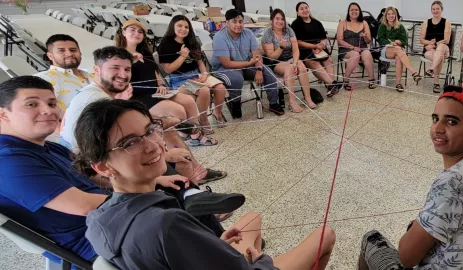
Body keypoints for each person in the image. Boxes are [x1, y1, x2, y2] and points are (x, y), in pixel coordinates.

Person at [0, 76, 242, 266]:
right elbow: (84, 206)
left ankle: (212, 234)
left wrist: (156, 180)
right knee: (157, 182)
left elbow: (94, 175)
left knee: (163, 173)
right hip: (99, 238)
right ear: (3, 113)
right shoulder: (8, 162)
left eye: (51, 103)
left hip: (107, 222)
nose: (48, 110)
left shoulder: (43, 147)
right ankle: (206, 227)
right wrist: (149, 193)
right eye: (32, 104)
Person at [75, 99, 336, 269]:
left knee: (251, 219)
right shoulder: (165, 224)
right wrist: (261, 262)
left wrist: (212, 247)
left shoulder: (99, 219)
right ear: (103, 166)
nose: (153, 144)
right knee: (325, 235)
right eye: (131, 142)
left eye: (150, 130)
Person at [358, 86, 463, 269]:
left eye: (451, 122)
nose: (437, 128)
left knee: (371, 238)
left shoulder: (453, 182)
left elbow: (406, 258)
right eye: (435, 119)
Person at [61, 46, 227, 184]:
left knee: (169, 128)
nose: (123, 74)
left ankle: (197, 173)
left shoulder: (94, 92)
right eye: (115, 68)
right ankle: (192, 197)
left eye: (127, 69)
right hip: (94, 174)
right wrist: (164, 155)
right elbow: (119, 148)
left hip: (100, 161)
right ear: (96, 70)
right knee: (179, 158)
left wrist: (167, 123)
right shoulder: (99, 102)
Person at [116, 20, 218, 146]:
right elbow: (119, 79)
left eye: (140, 32)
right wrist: (130, 61)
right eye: (132, 30)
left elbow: (155, 72)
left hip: (158, 91)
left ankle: (193, 134)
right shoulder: (119, 56)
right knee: (178, 110)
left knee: (189, 101)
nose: (137, 33)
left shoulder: (144, 52)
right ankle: (194, 134)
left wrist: (161, 85)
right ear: (123, 32)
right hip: (140, 97)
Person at [157, 15, 229, 127]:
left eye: (186, 27)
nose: (183, 29)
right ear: (172, 26)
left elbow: (199, 62)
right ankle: (203, 120)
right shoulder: (165, 44)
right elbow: (168, 69)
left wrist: (205, 74)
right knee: (204, 90)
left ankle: (217, 113)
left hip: (196, 75)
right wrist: (182, 56)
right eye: (179, 26)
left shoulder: (192, 42)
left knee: (220, 87)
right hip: (179, 80)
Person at [212, 9, 282, 117]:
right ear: (226, 23)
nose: (238, 25)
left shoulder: (248, 33)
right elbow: (226, 63)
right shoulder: (219, 37)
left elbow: (257, 54)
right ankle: (234, 103)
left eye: (240, 22)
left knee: (267, 72)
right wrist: (249, 63)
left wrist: (259, 70)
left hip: (246, 64)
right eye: (234, 22)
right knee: (236, 78)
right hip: (223, 68)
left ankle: (273, 103)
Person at [262, 9, 317, 113]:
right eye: (277, 19)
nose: (280, 21)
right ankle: (292, 102)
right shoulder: (268, 34)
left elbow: (296, 50)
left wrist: (295, 63)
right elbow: (271, 57)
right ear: (272, 21)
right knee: (290, 69)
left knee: (302, 67)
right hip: (276, 62)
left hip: (291, 59)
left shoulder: (289, 30)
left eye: (282, 19)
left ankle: (308, 98)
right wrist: (280, 47)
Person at [291, 1, 342, 97]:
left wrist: (321, 46)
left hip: (319, 49)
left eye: (306, 7)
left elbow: (323, 39)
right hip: (304, 51)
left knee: (329, 60)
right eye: (301, 9)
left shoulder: (317, 23)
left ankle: (330, 86)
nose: (305, 10)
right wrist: (314, 46)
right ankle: (332, 84)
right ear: (297, 12)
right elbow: (298, 42)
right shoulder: (296, 24)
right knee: (314, 63)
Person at [34, 34, 93, 112]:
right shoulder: (44, 79)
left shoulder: (94, 76)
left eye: (73, 50)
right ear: (50, 56)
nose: (69, 54)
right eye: (61, 50)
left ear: (80, 53)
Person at [377, 6, 421, 92]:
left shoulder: (400, 26)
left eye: (393, 13)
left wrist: (400, 42)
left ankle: (398, 84)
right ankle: (413, 72)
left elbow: (404, 41)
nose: (391, 15)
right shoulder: (382, 26)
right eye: (388, 14)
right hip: (386, 49)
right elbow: (381, 39)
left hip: (398, 50)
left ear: (396, 15)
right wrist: (392, 42)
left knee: (399, 57)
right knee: (398, 49)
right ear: (385, 16)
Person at [337, 2, 375, 91]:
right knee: (355, 55)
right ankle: (346, 80)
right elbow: (339, 41)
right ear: (348, 12)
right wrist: (353, 47)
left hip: (362, 47)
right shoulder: (343, 23)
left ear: (359, 11)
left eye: (356, 10)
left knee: (367, 54)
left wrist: (365, 36)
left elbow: (368, 41)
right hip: (346, 49)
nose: (354, 11)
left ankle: (371, 79)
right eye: (352, 10)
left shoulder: (364, 23)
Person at [420, 0, 451, 93]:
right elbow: (421, 40)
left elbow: (446, 40)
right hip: (431, 50)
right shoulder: (426, 22)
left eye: (437, 9)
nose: (435, 11)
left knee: (441, 46)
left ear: (441, 10)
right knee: (439, 57)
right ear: (431, 10)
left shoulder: (446, 22)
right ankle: (436, 83)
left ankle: (432, 68)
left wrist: (434, 44)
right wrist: (429, 43)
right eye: (433, 9)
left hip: (443, 48)